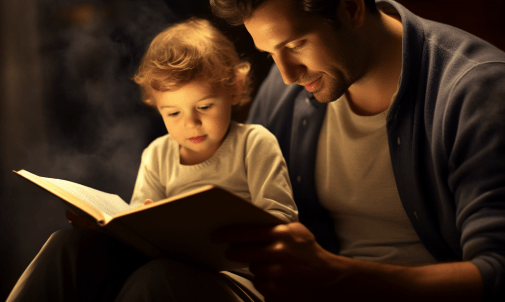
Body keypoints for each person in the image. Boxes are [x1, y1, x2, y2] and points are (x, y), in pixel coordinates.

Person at [209, 0, 505, 302]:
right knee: (158, 280)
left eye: (295, 45)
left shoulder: (481, 92)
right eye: (269, 54)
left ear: (350, 7)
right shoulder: (286, 91)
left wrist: (338, 278)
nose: (287, 74)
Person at [7, 18, 297, 301]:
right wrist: (107, 229)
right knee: (67, 245)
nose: (191, 123)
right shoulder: (158, 154)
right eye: (173, 113)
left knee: (157, 277)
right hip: (168, 268)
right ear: (156, 107)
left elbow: (283, 223)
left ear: (235, 87)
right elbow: (138, 227)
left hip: (239, 282)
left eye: (205, 106)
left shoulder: (254, 143)